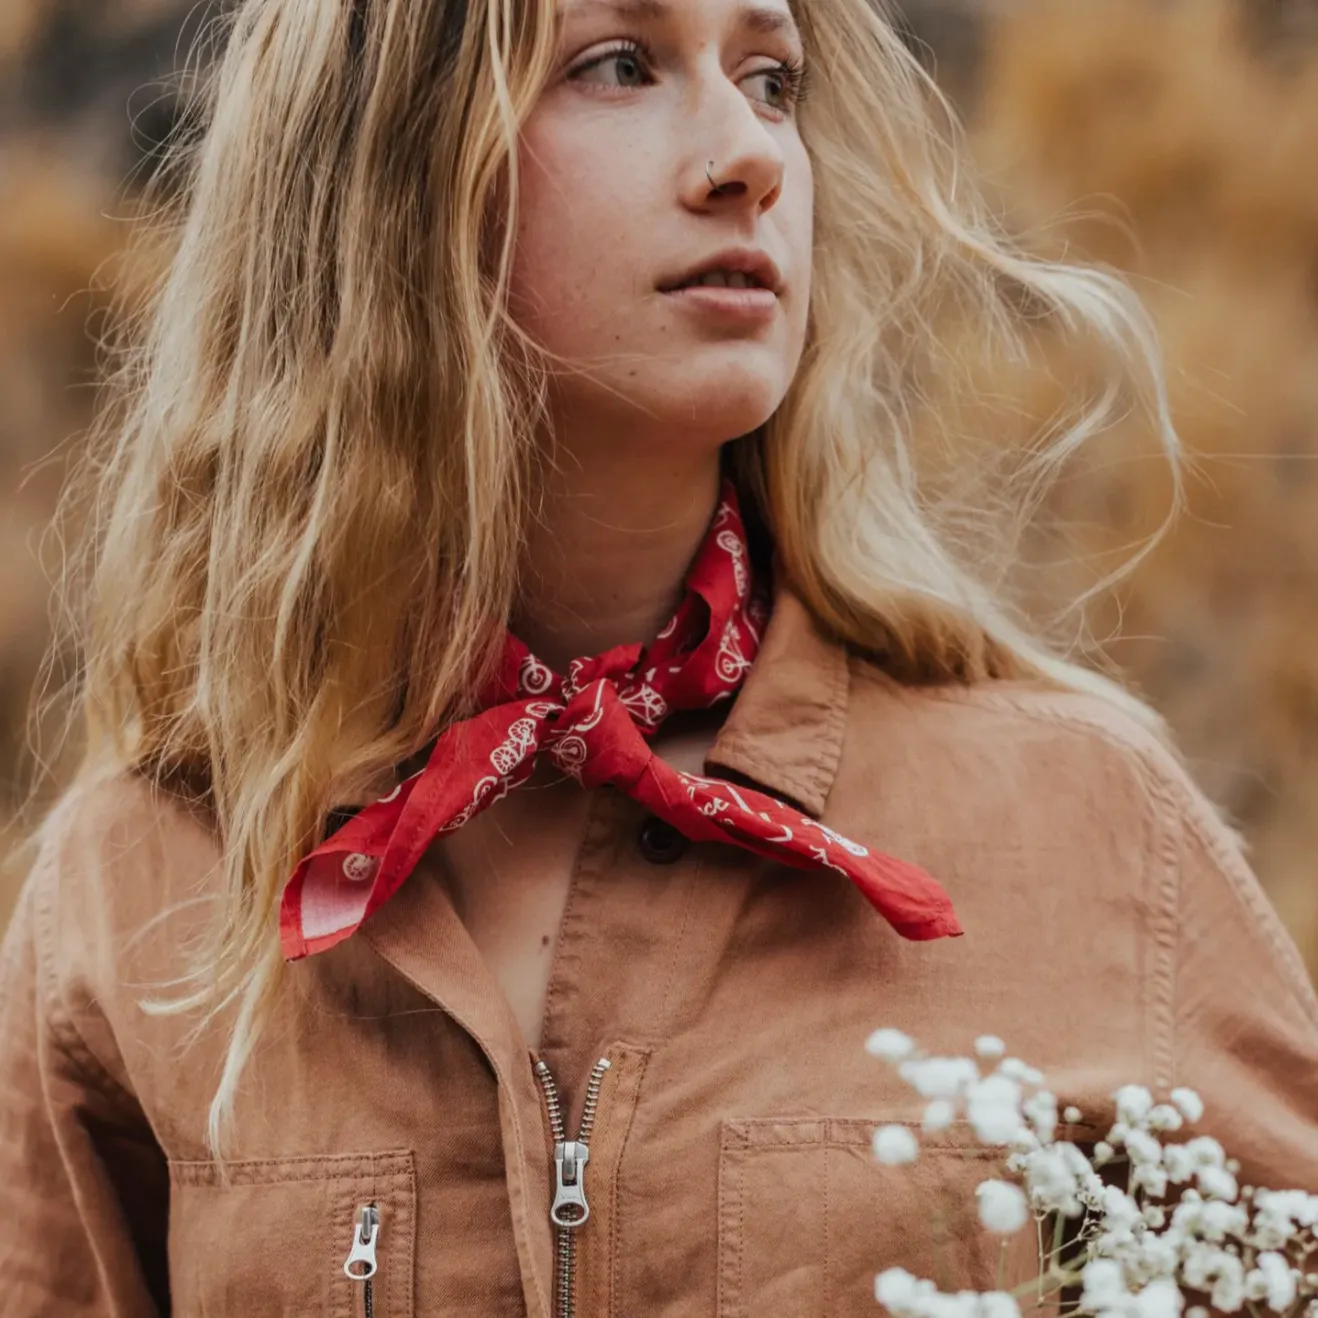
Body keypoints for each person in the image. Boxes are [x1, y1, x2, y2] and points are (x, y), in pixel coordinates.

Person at [2, 0, 1316, 1314]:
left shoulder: (1082, 822)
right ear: (387, 178)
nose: (745, 154)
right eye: (618, 66)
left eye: (771, 78)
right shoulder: (140, 886)